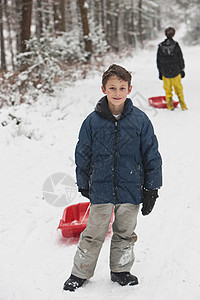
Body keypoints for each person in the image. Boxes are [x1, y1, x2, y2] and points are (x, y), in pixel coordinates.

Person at [63, 64, 162, 292]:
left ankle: (121, 270)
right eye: (112, 88)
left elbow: (152, 155)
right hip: (101, 187)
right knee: (93, 233)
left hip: (130, 188)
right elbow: (82, 153)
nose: (117, 93)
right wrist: (83, 182)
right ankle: (80, 273)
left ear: (129, 89)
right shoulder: (92, 121)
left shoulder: (140, 120)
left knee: (125, 233)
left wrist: (151, 188)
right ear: (103, 89)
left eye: (122, 88)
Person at [156, 27, 188, 110]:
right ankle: (183, 106)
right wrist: (182, 69)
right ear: (173, 34)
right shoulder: (176, 45)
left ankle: (170, 106)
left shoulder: (161, 46)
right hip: (176, 71)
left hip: (165, 73)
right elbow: (180, 58)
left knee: (168, 91)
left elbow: (158, 61)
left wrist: (160, 72)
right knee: (179, 90)